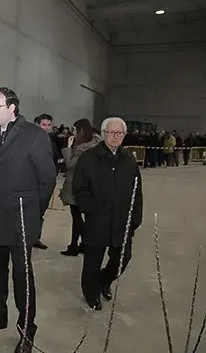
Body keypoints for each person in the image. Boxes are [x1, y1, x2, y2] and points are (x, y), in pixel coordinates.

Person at [0, 87, 55, 353]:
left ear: (12, 108)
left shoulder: (34, 135)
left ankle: (27, 329)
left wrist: (34, 214)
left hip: (21, 217)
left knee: (22, 277)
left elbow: (47, 179)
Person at [73, 117, 143, 311]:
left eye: (120, 133)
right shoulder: (88, 158)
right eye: (112, 133)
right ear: (103, 134)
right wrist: (93, 209)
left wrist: (135, 217)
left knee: (123, 258)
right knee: (92, 262)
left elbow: (137, 191)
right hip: (98, 220)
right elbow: (80, 190)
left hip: (123, 221)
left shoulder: (129, 159)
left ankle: (104, 280)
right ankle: (91, 293)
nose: (116, 137)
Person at [58, 118, 100, 256]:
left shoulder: (82, 149)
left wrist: (68, 148)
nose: (73, 132)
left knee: (76, 218)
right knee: (82, 218)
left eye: (75, 129)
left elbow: (70, 165)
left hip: (76, 186)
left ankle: (79, 245)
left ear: (81, 131)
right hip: (89, 187)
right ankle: (80, 245)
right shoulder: (94, 145)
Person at [31, 113, 58, 250]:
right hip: (32, 183)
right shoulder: (30, 141)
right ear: (37, 124)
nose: (46, 128)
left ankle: (36, 238)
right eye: (43, 124)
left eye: (49, 125)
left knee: (41, 212)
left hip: (46, 183)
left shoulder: (51, 142)